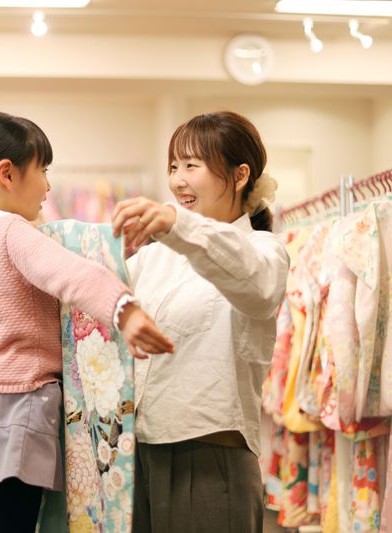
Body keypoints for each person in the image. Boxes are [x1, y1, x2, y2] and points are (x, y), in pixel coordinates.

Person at [0, 112, 173, 533]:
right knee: (16, 523)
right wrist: (124, 310)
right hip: (19, 401)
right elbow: (71, 275)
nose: (48, 187)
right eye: (43, 170)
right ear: (7, 173)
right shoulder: (13, 232)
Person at [111, 111, 289, 533]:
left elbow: (255, 283)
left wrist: (180, 226)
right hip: (138, 454)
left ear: (240, 175)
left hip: (210, 456)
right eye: (173, 167)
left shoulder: (264, 249)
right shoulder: (153, 257)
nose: (178, 181)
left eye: (192, 166)